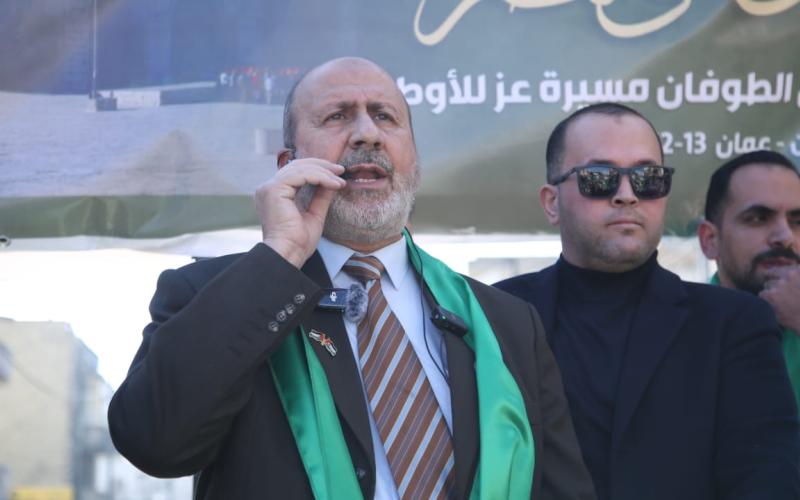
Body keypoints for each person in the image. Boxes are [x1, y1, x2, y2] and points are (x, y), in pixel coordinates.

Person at [108, 57, 594, 500]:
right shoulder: (209, 294)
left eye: (385, 117)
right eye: (337, 116)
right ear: (288, 165)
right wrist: (281, 255)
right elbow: (154, 440)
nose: (367, 135)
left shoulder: (506, 323)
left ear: (414, 160)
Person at [495, 103, 800, 500]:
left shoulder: (732, 324)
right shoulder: (498, 314)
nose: (627, 195)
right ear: (552, 202)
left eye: (648, 178)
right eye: (599, 177)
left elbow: (767, 477)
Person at [697, 150, 800, 407]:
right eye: (758, 219)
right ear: (710, 240)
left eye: (797, 221)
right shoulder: (674, 333)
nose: (785, 237)